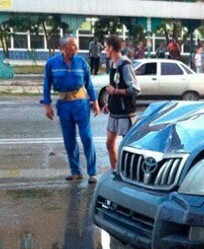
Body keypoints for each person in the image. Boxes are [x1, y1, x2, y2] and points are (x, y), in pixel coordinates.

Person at [42, 35, 100, 184]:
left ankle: (92, 172)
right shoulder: (52, 63)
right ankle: (76, 172)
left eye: (76, 46)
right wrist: (47, 105)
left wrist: (95, 102)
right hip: (64, 105)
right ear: (63, 48)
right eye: (73, 46)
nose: (76, 49)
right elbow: (47, 84)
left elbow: (89, 83)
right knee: (69, 140)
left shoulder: (81, 62)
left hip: (81, 104)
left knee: (86, 137)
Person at [102, 35, 141, 170]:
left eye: (106, 47)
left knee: (127, 147)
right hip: (114, 112)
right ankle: (115, 170)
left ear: (112, 48)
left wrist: (115, 92)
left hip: (125, 114)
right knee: (109, 144)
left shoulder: (125, 65)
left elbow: (135, 89)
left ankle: (129, 172)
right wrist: (110, 103)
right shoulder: (113, 64)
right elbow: (115, 85)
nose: (104, 49)